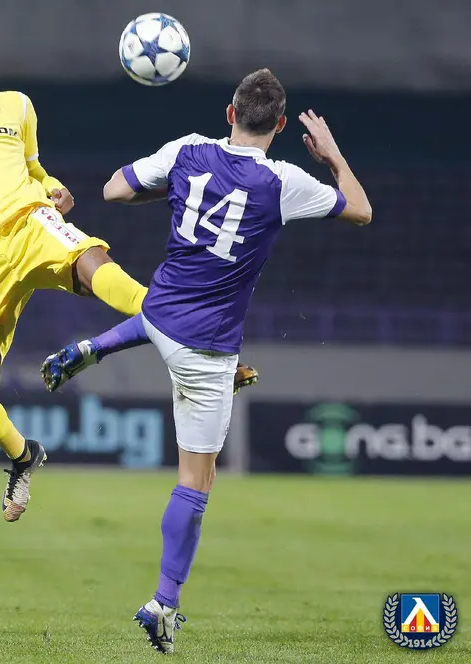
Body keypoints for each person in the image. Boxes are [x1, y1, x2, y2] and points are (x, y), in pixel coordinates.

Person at [41, 69, 372, 653]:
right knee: (197, 481)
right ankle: (163, 605)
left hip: (158, 311)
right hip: (207, 348)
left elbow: (114, 190)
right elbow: (362, 210)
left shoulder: (187, 150)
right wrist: (332, 156)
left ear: (229, 113)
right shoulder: (285, 181)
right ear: (279, 125)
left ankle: (95, 346)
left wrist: (172, 189)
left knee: (159, 317)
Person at [0, 16, 259, 523]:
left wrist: (53, 188)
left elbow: (34, 171)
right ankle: (24, 456)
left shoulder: (15, 104)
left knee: (99, 266)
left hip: (30, 223)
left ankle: (208, 353)